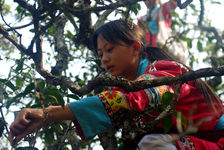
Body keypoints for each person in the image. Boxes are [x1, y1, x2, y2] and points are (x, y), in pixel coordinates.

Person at [9, 19, 224, 150]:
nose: (103, 59)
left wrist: (48, 114)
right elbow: (114, 103)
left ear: (135, 48)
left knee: (151, 144)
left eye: (110, 50)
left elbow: (130, 99)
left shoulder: (165, 70)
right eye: (100, 54)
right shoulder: (125, 88)